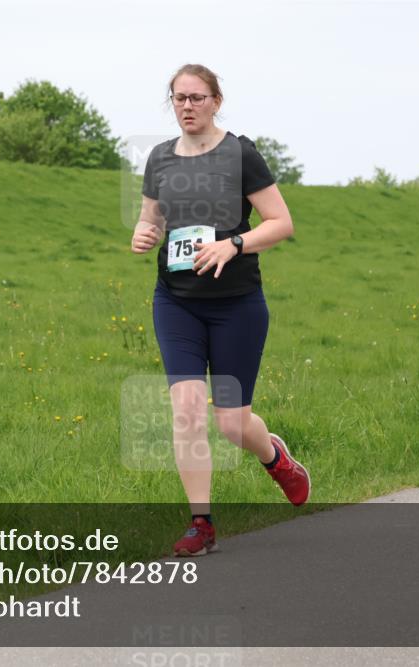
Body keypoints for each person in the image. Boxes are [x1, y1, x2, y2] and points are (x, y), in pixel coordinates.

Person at [130, 64, 310, 556]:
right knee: (187, 412)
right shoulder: (160, 159)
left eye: (196, 97)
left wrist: (234, 244)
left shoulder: (241, 154)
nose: (187, 106)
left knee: (232, 424)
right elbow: (152, 221)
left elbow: (281, 223)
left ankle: (276, 458)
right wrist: (143, 236)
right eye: (178, 98)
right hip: (176, 302)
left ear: (215, 100)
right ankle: (202, 524)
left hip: (236, 305)